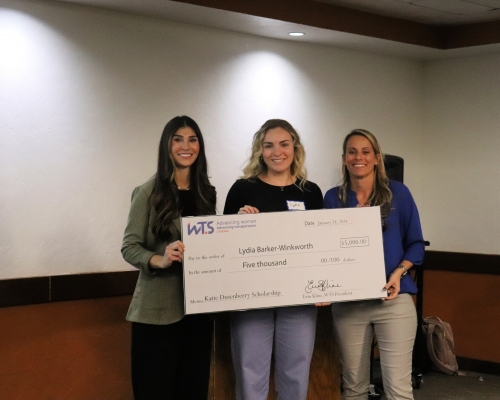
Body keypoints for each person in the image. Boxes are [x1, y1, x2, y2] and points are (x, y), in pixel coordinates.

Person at [223, 119, 323, 400]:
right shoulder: (242, 190)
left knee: (296, 374)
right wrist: (238, 224)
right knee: (250, 374)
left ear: (295, 148)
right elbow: (223, 248)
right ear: (260, 150)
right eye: (268, 145)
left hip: (299, 300)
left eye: (284, 144)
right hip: (251, 298)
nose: (276, 152)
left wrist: (327, 286)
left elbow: (322, 248)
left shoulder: (311, 192)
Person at [323, 129, 424, 400]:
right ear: (344, 159)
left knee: (398, 389)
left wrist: (398, 273)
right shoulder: (333, 199)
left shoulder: (399, 194)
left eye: (366, 151)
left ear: (377, 158)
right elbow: (324, 249)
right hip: (349, 306)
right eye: (352, 152)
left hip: (394, 302)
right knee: (353, 388)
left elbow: (415, 243)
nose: (359, 157)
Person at [121, 116, 216, 400]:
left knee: (193, 390)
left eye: (192, 139)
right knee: (155, 390)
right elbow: (130, 246)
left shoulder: (206, 193)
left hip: (198, 312)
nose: (186, 146)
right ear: (167, 146)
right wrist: (158, 259)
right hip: (157, 314)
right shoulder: (147, 192)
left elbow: (212, 243)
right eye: (178, 139)